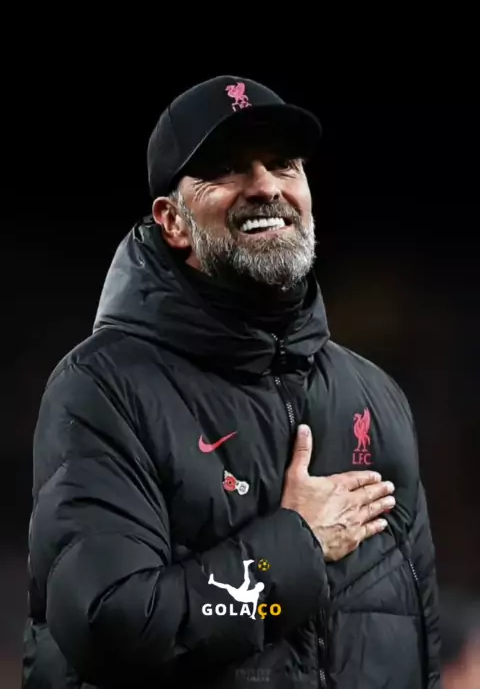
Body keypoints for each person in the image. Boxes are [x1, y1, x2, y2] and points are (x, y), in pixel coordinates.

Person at [22, 75, 440, 688]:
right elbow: (109, 627)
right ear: (172, 221)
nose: (266, 186)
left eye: (284, 164)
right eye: (227, 169)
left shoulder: (375, 396)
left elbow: (419, 640)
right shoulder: (104, 388)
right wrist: (293, 548)